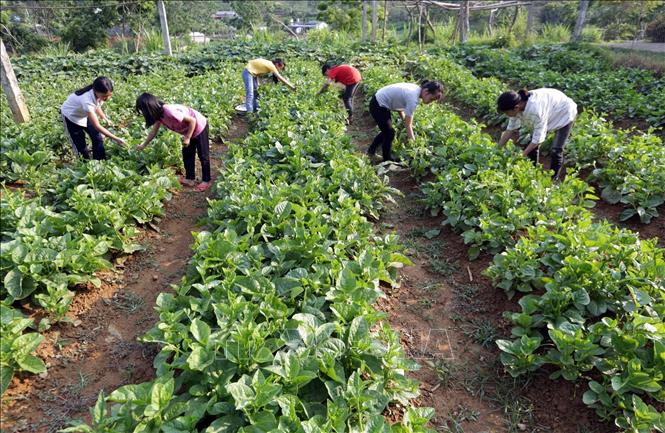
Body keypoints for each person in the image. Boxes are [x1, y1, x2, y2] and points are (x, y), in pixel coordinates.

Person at [134, 93, 211, 192]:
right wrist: (143, 145)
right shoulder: (158, 116)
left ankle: (206, 180)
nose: (143, 114)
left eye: (142, 110)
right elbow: (153, 132)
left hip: (200, 126)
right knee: (187, 154)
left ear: (148, 108)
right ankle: (190, 179)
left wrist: (188, 137)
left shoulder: (169, 111)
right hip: (188, 131)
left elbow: (193, 121)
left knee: (203, 155)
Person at [497, 88, 577, 180]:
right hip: (551, 109)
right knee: (531, 145)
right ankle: (532, 172)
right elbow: (510, 129)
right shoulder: (517, 105)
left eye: (507, 112)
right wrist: (497, 148)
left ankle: (553, 180)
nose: (506, 115)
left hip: (565, 112)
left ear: (516, 107)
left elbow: (537, 140)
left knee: (556, 150)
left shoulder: (535, 111)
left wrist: (522, 155)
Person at [367, 80, 443, 162]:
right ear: (426, 92)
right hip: (378, 104)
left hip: (380, 101)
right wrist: (414, 145)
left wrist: (404, 119)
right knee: (389, 133)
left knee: (387, 131)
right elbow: (408, 125)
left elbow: (400, 102)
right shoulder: (413, 98)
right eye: (431, 99)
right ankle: (386, 159)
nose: (430, 102)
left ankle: (371, 152)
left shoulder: (415, 90)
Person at [60, 76, 126, 160]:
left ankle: (100, 161)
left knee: (98, 138)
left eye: (109, 95)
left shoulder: (98, 94)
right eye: (104, 96)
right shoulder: (86, 100)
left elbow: (96, 105)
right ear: (96, 91)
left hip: (85, 113)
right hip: (72, 117)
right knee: (80, 146)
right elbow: (97, 126)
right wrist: (116, 139)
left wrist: (104, 117)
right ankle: (84, 164)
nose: (107, 98)